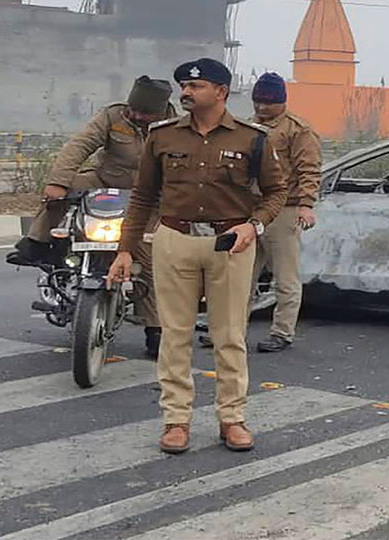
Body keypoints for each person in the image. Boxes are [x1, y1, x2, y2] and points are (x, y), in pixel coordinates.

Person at [108, 58, 286, 454]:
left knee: (229, 336)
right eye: (184, 87)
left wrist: (252, 225)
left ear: (221, 92)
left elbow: (277, 193)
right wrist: (124, 249)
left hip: (231, 243)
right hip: (174, 239)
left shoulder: (252, 138)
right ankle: (175, 421)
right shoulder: (162, 136)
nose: (186, 93)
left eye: (197, 87)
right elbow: (142, 197)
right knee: (174, 335)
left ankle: (232, 418)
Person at [8, 76, 174, 357]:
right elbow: (79, 145)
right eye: (134, 109)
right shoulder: (113, 115)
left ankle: (155, 328)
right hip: (104, 179)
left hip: (149, 197)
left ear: (160, 111)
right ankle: (37, 241)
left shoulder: (175, 128)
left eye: (144, 113)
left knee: (147, 257)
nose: (136, 116)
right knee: (61, 192)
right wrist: (58, 181)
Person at [247, 72, 322, 353]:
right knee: (241, 275)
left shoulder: (298, 130)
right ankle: (230, 329)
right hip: (251, 209)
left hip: (284, 210)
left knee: (285, 276)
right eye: (258, 102)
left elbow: (309, 169)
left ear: (282, 101)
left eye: (268, 102)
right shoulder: (247, 126)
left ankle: (282, 332)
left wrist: (306, 204)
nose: (262, 108)